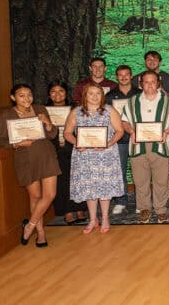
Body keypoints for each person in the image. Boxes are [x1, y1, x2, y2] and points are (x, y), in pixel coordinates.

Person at [0, 84, 61, 247]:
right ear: (13, 98)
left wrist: (48, 123)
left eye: (29, 94)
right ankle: (40, 234)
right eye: (21, 95)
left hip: (46, 155)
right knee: (35, 197)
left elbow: (53, 134)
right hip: (25, 160)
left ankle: (30, 225)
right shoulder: (6, 115)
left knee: (50, 195)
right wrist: (18, 143)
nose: (26, 98)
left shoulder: (40, 109)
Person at [64, 83, 124, 234]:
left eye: (98, 93)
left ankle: (104, 218)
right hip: (84, 156)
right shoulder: (76, 112)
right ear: (85, 95)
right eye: (91, 93)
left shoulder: (110, 110)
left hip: (106, 155)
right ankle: (92, 219)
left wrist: (108, 144)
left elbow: (119, 130)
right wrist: (76, 143)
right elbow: (67, 133)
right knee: (89, 188)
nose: (95, 96)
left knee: (104, 187)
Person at [121, 71, 169, 224]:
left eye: (153, 81)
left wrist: (168, 130)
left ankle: (160, 210)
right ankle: (144, 209)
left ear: (158, 82)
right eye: (146, 82)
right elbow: (124, 122)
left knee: (161, 180)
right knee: (140, 180)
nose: (150, 85)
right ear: (141, 84)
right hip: (137, 145)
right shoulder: (132, 101)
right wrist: (131, 131)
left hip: (160, 145)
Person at [46, 81, 87, 224]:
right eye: (53, 91)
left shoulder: (75, 109)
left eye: (61, 91)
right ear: (49, 94)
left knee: (77, 179)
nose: (57, 94)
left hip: (74, 147)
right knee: (61, 181)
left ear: (66, 93)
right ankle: (67, 211)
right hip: (54, 149)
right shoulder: (44, 111)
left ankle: (80, 208)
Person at [105, 65, 141, 215]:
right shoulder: (109, 96)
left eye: (127, 75)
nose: (124, 77)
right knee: (119, 171)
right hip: (119, 139)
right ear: (116, 77)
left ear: (131, 76)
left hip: (137, 137)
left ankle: (141, 202)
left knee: (139, 172)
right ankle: (121, 200)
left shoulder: (140, 94)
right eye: (121, 75)